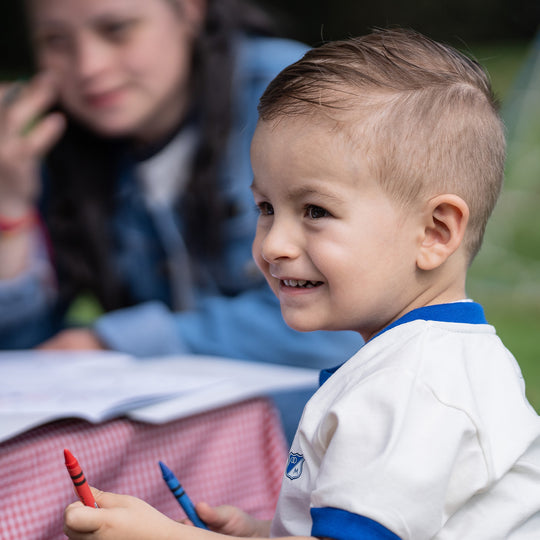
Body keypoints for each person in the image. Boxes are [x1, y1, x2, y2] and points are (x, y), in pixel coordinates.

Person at [62, 27, 540, 539]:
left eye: (315, 210)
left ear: (434, 232)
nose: (272, 245)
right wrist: (264, 531)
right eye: (265, 208)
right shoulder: (420, 360)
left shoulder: (414, 385)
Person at [0, 0, 363, 441]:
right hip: (181, 458)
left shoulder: (299, 99)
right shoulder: (59, 142)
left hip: (329, 454)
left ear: (190, 10)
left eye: (117, 29)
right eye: (56, 41)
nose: (88, 66)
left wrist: (114, 342)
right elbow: (24, 361)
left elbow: (342, 323)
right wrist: (11, 212)